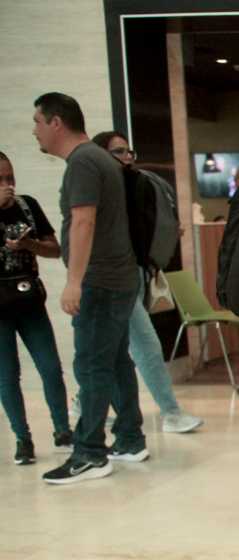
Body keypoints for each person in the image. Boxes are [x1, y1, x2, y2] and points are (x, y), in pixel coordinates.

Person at [32, 93, 147, 484]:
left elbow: (83, 222)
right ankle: (130, 438)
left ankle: (90, 453)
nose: (35, 131)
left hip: (100, 279)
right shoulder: (98, 159)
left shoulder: (82, 161)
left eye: (38, 122)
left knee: (92, 365)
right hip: (118, 276)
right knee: (114, 361)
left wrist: (73, 283)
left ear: (56, 123)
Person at [92, 131, 204, 434]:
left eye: (129, 151)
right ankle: (169, 412)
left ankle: (84, 405)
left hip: (136, 273)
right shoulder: (103, 187)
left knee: (112, 347)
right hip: (118, 278)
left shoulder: (133, 185)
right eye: (119, 151)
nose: (127, 157)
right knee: (144, 345)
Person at [0, 151, 72, 466]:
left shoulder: (27, 206)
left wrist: (29, 245)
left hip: (29, 302)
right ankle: (22, 438)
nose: (7, 185)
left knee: (51, 368)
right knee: (7, 376)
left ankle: (62, 431)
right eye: (0, 180)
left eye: (10, 177)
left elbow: (56, 250)